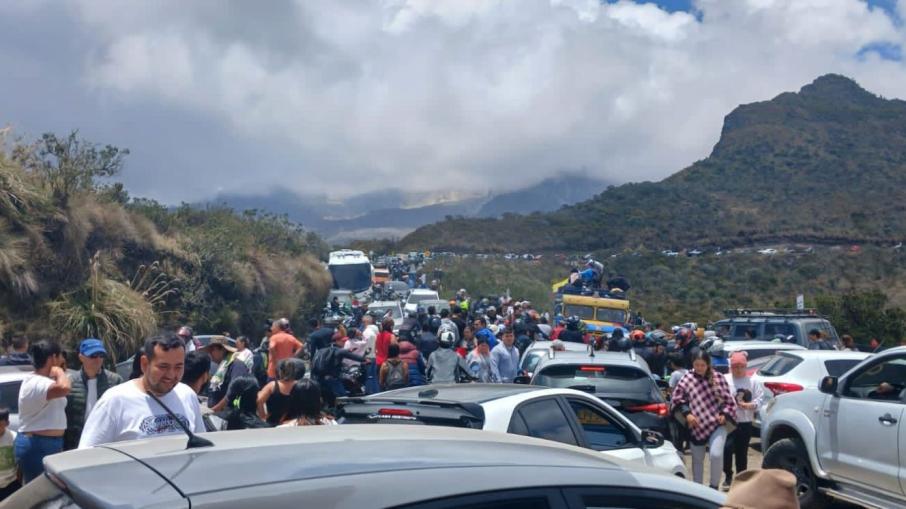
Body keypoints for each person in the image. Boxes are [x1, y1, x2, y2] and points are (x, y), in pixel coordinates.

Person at [78, 333, 205, 449]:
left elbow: (201, 448)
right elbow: (87, 456)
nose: (171, 375)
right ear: (144, 364)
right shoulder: (115, 401)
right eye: (163, 367)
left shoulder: (187, 395)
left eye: (178, 367)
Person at [671, 350, 736, 489]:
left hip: (718, 423)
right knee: (697, 460)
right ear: (692, 364)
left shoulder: (718, 377)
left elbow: (729, 401)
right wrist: (687, 414)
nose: (699, 368)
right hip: (696, 424)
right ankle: (698, 489)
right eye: (696, 364)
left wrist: (724, 413)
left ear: (708, 364)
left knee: (716, 455)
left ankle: (713, 487)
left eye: (702, 365)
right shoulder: (687, 378)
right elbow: (677, 399)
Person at [15, 340, 70, 483]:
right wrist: (59, 372)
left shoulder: (43, 381)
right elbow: (64, 388)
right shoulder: (37, 382)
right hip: (37, 445)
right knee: (38, 496)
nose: (63, 360)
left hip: (46, 444)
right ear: (52, 358)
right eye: (60, 356)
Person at [64, 339, 124, 451]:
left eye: (101, 355)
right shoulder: (70, 382)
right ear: (81, 357)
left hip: (106, 443)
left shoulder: (115, 381)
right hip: (75, 443)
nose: (98, 359)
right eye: (93, 355)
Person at [722, 352, 763, 490]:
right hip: (729, 421)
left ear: (746, 367)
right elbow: (718, 396)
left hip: (745, 421)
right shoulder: (725, 379)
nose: (738, 369)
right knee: (727, 449)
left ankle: (742, 476)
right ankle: (728, 476)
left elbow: (760, 399)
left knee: (742, 451)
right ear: (731, 367)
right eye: (735, 366)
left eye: (741, 366)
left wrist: (751, 405)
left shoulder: (752, 382)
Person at [311, 332, 367, 405]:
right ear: (336, 341)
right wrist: (365, 360)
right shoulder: (338, 350)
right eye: (343, 341)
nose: (344, 343)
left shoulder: (323, 350)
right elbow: (350, 356)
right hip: (332, 378)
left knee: (327, 398)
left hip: (318, 378)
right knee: (342, 397)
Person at [207, 337, 253, 412]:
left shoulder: (237, 364)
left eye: (212, 350)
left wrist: (214, 410)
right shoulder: (223, 365)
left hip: (228, 415)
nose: (210, 353)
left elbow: (234, 390)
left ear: (222, 350)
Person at [257, 358, 306, 426]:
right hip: (294, 423)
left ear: (280, 371)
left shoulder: (272, 386)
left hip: (274, 423)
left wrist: (262, 417)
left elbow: (259, 400)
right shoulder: (300, 385)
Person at [0, 409, 17, 501]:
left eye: (0, 425)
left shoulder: (14, 438)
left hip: (10, 483)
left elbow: (19, 461)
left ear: (7, 423)